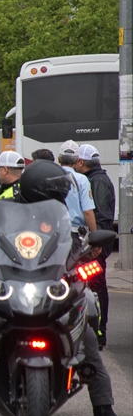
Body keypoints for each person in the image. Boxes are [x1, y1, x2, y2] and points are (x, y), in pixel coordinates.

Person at [0, 159, 129, 416]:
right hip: (10, 279)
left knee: (88, 339)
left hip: (47, 283)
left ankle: (104, 410)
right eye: (56, 194)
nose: (60, 200)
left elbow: (67, 241)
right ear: (39, 191)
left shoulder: (55, 213)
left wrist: (85, 251)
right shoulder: (6, 202)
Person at [76, 144, 114, 350]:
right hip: (96, 242)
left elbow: (98, 214)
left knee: (97, 287)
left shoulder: (97, 182)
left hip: (97, 244)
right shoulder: (95, 178)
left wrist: (96, 242)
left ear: (81, 162)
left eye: (75, 161)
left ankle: (99, 332)